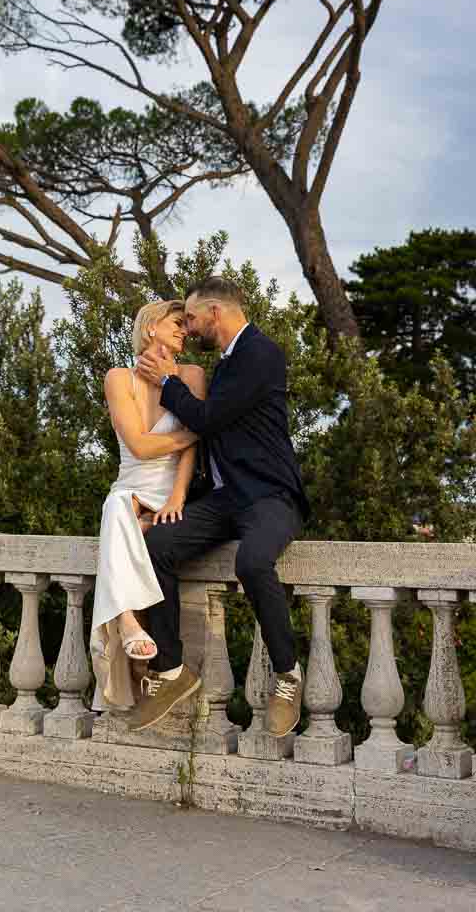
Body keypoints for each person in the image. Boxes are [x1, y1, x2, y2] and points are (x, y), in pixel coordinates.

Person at [132, 275, 310, 735]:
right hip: (227, 499)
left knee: (252, 563)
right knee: (156, 546)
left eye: (192, 318)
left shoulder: (260, 353)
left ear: (215, 312)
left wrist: (168, 382)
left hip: (271, 496)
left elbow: (208, 419)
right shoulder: (229, 362)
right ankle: (170, 670)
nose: (188, 328)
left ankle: (288, 674)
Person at [89, 300, 206, 712]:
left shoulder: (191, 374)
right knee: (118, 505)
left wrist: (177, 497)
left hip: (171, 491)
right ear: (151, 327)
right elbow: (139, 445)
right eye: (176, 324)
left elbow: (189, 443)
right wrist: (192, 435)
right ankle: (126, 620)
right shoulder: (118, 378)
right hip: (132, 486)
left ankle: (127, 622)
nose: (184, 331)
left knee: (119, 513)